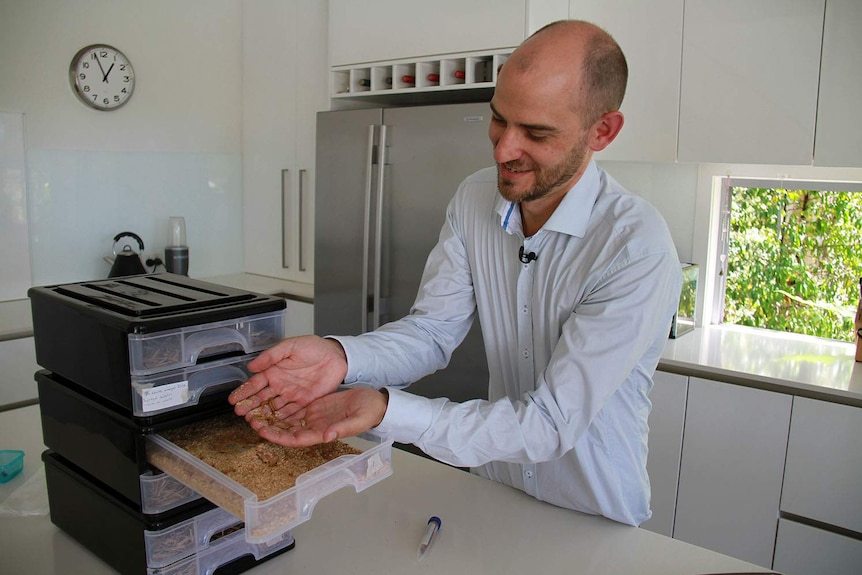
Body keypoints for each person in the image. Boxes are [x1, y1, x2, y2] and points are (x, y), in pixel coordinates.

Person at [229, 19, 682, 527]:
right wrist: (341, 356)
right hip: (496, 489)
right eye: (498, 119)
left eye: (536, 133)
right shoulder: (473, 198)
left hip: (594, 514)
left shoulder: (634, 249)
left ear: (603, 131)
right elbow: (432, 332)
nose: (504, 149)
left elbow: (550, 423)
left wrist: (385, 410)